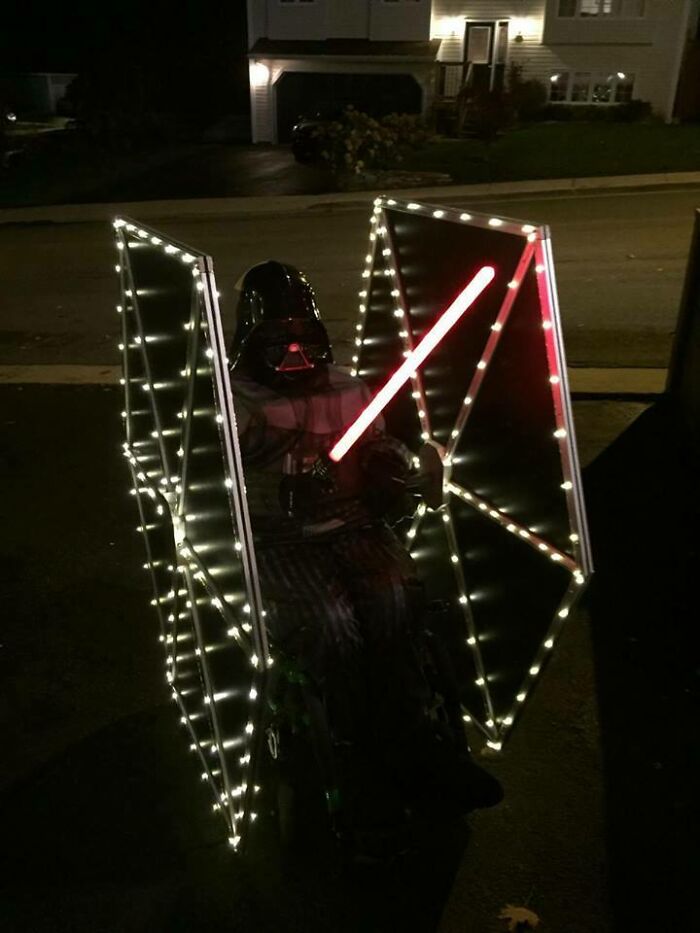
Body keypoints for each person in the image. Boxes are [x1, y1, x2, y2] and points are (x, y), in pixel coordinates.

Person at [229, 260, 502, 841]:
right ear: (251, 343)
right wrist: (273, 490)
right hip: (278, 539)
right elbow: (213, 481)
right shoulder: (236, 406)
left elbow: (380, 441)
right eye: (278, 341)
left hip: (354, 525)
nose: (295, 353)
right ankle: (355, 762)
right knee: (330, 625)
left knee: (396, 600)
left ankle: (416, 744)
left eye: (303, 337)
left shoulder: (350, 389)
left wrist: (386, 467)